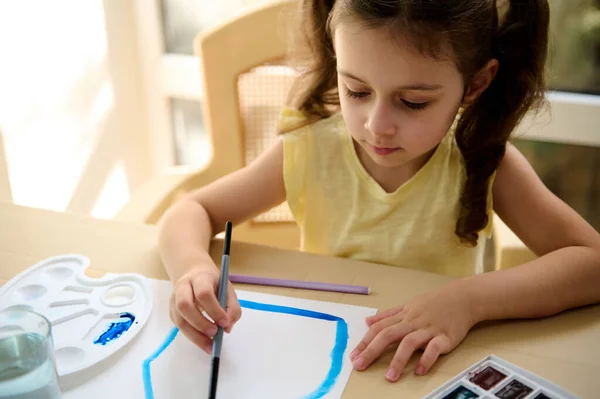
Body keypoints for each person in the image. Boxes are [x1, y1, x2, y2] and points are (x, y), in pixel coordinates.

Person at [158, 0, 600, 383]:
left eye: (413, 102)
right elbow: (192, 209)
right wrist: (191, 268)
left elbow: (592, 263)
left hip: (433, 366)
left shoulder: (481, 161)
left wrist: (469, 300)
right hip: (325, 354)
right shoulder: (310, 149)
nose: (376, 125)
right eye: (356, 90)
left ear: (475, 85)